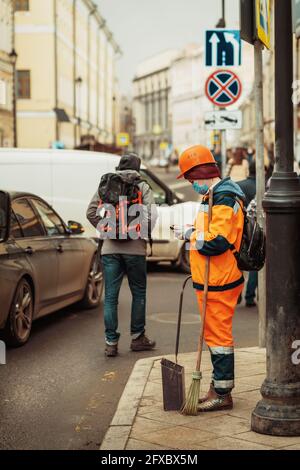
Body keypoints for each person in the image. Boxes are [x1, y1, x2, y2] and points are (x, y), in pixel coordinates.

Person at [174, 145, 246, 411]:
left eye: (191, 179)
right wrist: (191, 231)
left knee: (219, 339)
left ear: (201, 173)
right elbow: (209, 232)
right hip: (211, 278)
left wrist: (191, 237)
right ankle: (217, 387)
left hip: (219, 279)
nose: (192, 184)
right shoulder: (214, 196)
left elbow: (216, 242)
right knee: (214, 337)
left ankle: (223, 393)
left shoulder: (225, 198)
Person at [86, 153, 158, 357]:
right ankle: (137, 338)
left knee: (110, 297)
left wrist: (106, 230)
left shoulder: (108, 183)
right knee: (138, 293)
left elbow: (90, 212)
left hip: (110, 249)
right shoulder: (141, 185)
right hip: (135, 249)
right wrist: (140, 232)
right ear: (138, 168)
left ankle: (111, 343)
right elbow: (152, 214)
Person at [237, 161, 258, 307]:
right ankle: (249, 297)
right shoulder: (262, 187)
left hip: (239, 228)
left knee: (237, 261)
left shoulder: (238, 185)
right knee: (253, 263)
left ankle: (236, 294)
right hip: (255, 231)